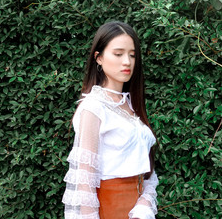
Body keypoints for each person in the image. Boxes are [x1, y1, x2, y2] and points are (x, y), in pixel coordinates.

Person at [62, 21, 158, 219]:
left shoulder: (130, 105)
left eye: (132, 55)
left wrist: (145, 203)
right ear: (98, 58)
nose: (127, 62)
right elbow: (84, 182)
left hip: (138, 211)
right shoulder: (94, 107)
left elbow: (147, 173)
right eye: (118, 53)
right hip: (109, 210)